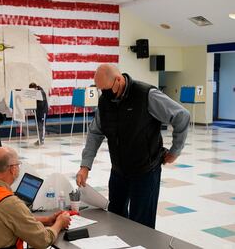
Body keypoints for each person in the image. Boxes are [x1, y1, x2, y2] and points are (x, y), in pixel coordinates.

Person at [76, 64, 190, 229]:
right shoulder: (105, 101)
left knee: (141, 225)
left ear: (119, 80)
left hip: (145, 172)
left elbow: (181, 116)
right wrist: (85, 166)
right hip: (118, 171)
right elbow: (95, 132)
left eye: (106, 90)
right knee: (115, 218)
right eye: (100, 90)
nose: (104, 95)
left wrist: (175, 151)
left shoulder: (146, 95)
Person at [0, 146, 71, 249]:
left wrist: (47, 220)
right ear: (13, 169)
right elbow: (43, 240)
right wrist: (59, 223)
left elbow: (12, 219)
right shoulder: (10, 203)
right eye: (18, 164)